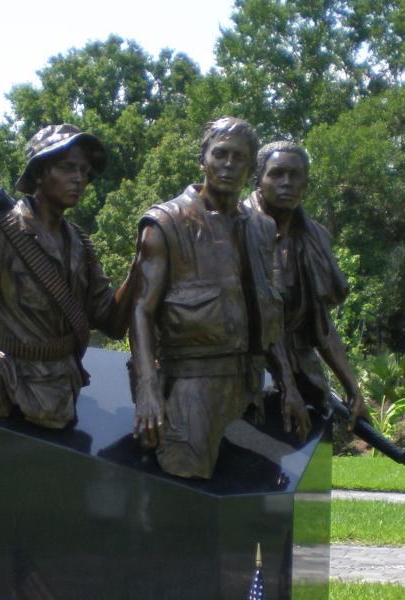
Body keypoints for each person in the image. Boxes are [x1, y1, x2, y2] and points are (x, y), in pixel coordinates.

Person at [129, 117, 309, 479]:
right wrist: (148, 391)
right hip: (192, 387)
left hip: (250, 389)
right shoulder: (166, 223)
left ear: (251, 167)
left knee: (243, 503)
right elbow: (141, 311)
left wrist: (288, 385)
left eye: (239, 157)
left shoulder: (262, 228)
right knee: (185, 492)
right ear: (203, 159)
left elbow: (267, 314)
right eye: (220, 154)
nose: (228, 164)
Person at [0, 124, 132, 428]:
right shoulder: (1, 234)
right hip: (17, 378)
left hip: (64, 377)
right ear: (39, 173)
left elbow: (113, 323)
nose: (79, 178)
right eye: (67, 168)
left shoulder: (79, 243)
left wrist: (143, 265)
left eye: (84, 171)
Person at [242, 140, 369, 428]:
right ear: (258, 180)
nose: (286, 182)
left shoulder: (315, 238)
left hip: (302, 365)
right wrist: (286, 386)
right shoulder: (237, 227)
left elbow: (321, 324)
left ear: (306, 183)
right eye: (276, 174)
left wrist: (352, 387)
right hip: (250, 368)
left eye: (295, 175)